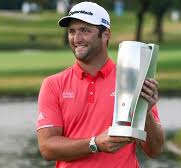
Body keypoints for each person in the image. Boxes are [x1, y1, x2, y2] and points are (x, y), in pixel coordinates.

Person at [36, 2, 165, 168]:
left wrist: (145, 112)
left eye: (85, 30)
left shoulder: (133, 80)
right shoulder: (53, 84)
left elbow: (154, 150)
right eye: (72, 31)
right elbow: (47, 148)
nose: (76, 38)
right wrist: (94, 143)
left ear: (106, 34)